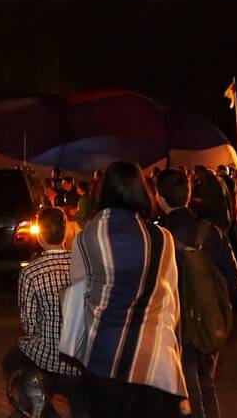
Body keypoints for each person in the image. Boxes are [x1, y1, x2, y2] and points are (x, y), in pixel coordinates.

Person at [65, 161, 186, 417]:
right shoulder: (162, 239)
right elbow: (171, 301)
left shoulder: (87, 239)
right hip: (154, 361)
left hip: (103, 357)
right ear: (142, 191)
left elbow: (77, 291)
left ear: (103, 191)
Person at [155, 169, 237, 418]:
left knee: (187, 384)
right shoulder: (212, 230)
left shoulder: (159, 237)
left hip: (177, 323)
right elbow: (235, 283)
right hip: (209, 316)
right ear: (189, 193)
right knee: (208, 383)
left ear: (160, 198)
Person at [3, 206, 85, 417]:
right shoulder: (82, 264)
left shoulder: (31, 271)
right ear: (65, 231)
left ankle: (41, 406)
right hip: (81, 355)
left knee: (12, 359)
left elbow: (29, 326)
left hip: (48, 356)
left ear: (40, 235)